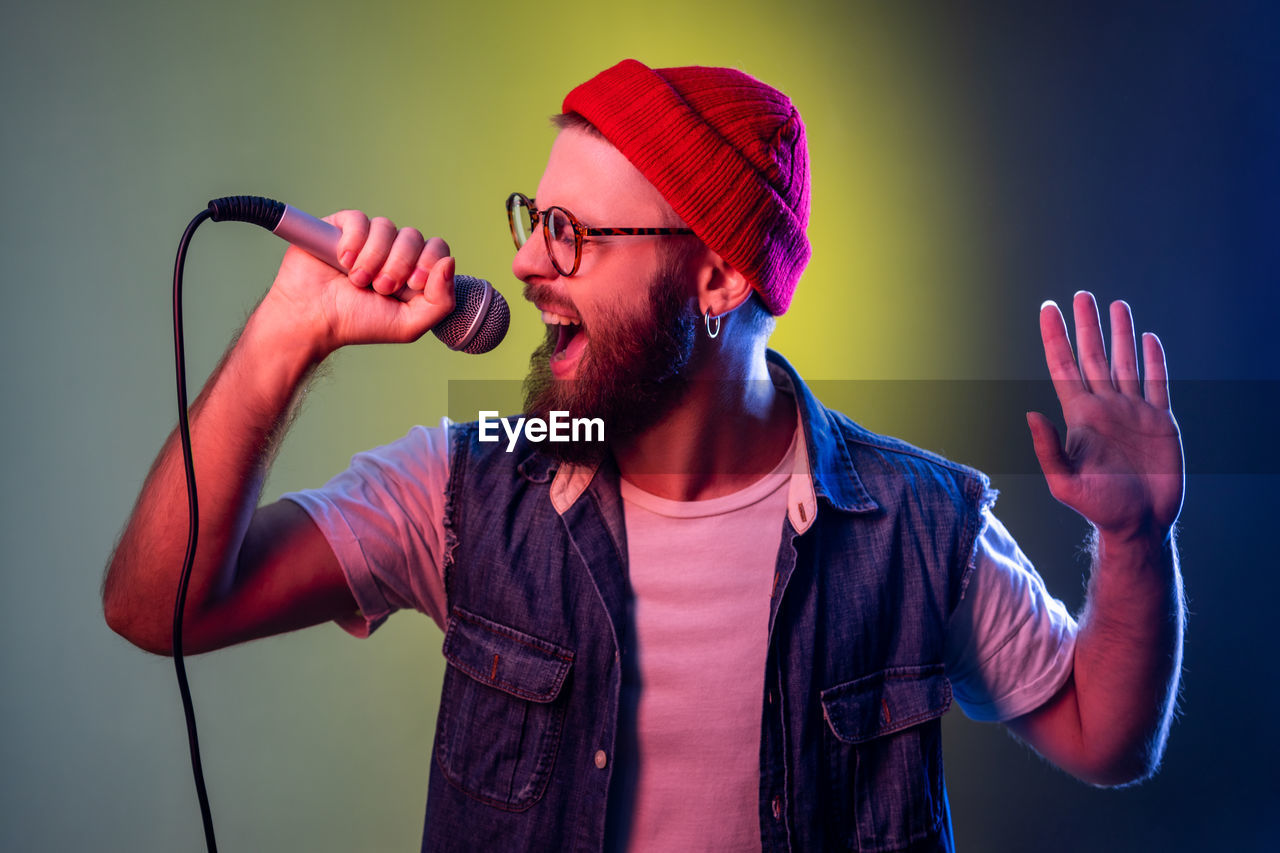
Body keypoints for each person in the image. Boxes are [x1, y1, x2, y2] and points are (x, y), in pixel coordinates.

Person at [103, 60, 1185, 852]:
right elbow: (159, 607)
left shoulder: (910, 520)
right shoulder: (473, 484)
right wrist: (286, 332)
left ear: (716, 279)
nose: (525, 262)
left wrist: (1132, 540)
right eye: (533, 218)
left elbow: (1105, 734)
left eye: (571, 231)